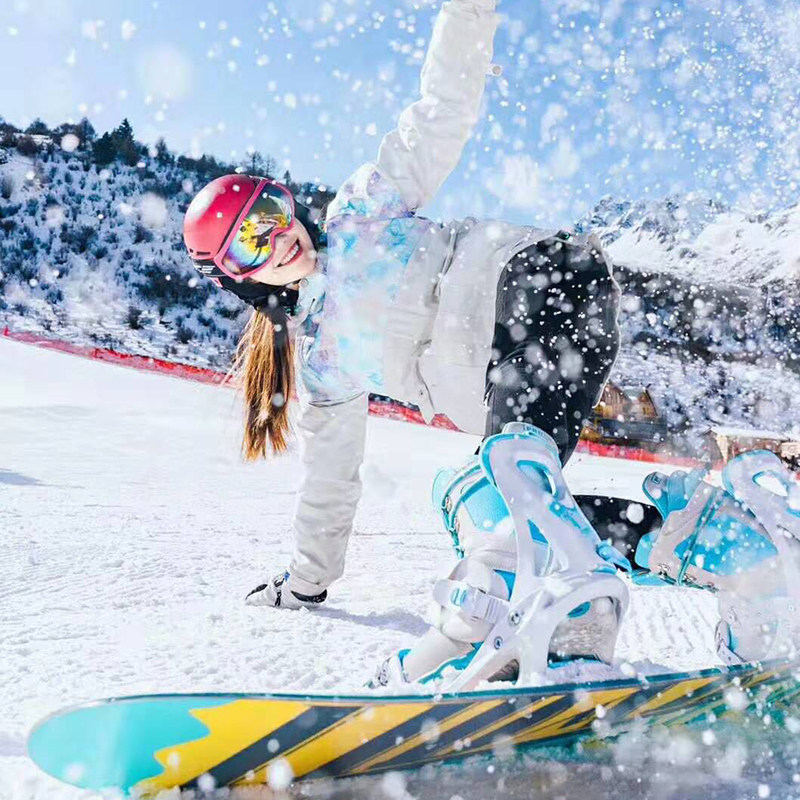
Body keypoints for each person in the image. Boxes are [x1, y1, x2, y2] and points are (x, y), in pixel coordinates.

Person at [184, 0, 625, 683]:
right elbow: (329, 484)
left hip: (539, 281)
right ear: (239, 278)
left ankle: (530, 615)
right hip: (529, 380)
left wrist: (469, 9)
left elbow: (440, 108)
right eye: (249, 240)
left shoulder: (363, 208)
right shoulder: (326, 366)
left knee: (509, 471)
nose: (274, 236)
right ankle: (689, 544)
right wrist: (308, 580)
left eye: (269, 211)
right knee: (494, 499)